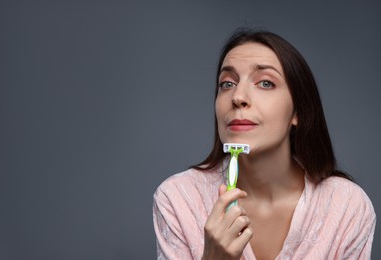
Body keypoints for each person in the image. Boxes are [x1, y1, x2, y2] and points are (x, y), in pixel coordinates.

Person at [152, 28, 376, 260]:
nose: (238, 97)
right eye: (227, 84)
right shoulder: (177, 199)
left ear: (297, 111)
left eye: (266, 83)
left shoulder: (347, 206)